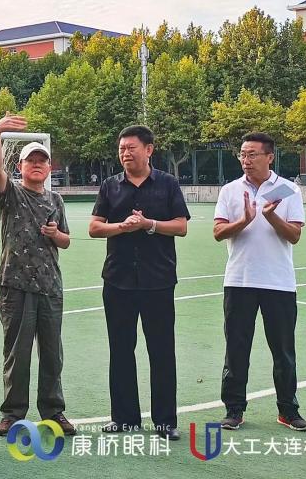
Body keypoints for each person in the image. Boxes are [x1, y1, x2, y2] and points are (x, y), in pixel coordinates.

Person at [88, 125, 190, 441]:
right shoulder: (110, 186)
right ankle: (124, 418)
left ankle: (165, 421)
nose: (125, 153)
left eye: (131, 148)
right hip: (117, 280)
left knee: (161, 351)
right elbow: (94, 228)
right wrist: (122, 227)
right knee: (120, 350)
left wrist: (148, 224)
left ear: (149, 150)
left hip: (158, 280)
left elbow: (181, 226)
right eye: (122, 149)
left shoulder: (168, 184)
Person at [214, 133, 306, 432]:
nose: (246, 160)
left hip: (278, 282)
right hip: (239, 280)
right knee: (236, 348)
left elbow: (294, 235)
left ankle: (288, 410)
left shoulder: (287, 189)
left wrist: (271, 217)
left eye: (252, 154)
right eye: (243, 154)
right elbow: (218, 232)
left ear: (270, 157)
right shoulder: (231, 190)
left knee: (283, 350)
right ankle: (234, 409)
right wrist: (244, 220)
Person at [0, 114, 74, 437]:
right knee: (17, 355)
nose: (37, 165)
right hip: (16, 286)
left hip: (50, 286)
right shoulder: (12, 194)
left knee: (52, 355)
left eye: (42, 161)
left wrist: (55, 234)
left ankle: (54, 412)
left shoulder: (56, 200)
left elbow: (65, 240)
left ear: (49, 168)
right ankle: (12, 414)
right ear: (20, 166)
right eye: (30, 160)